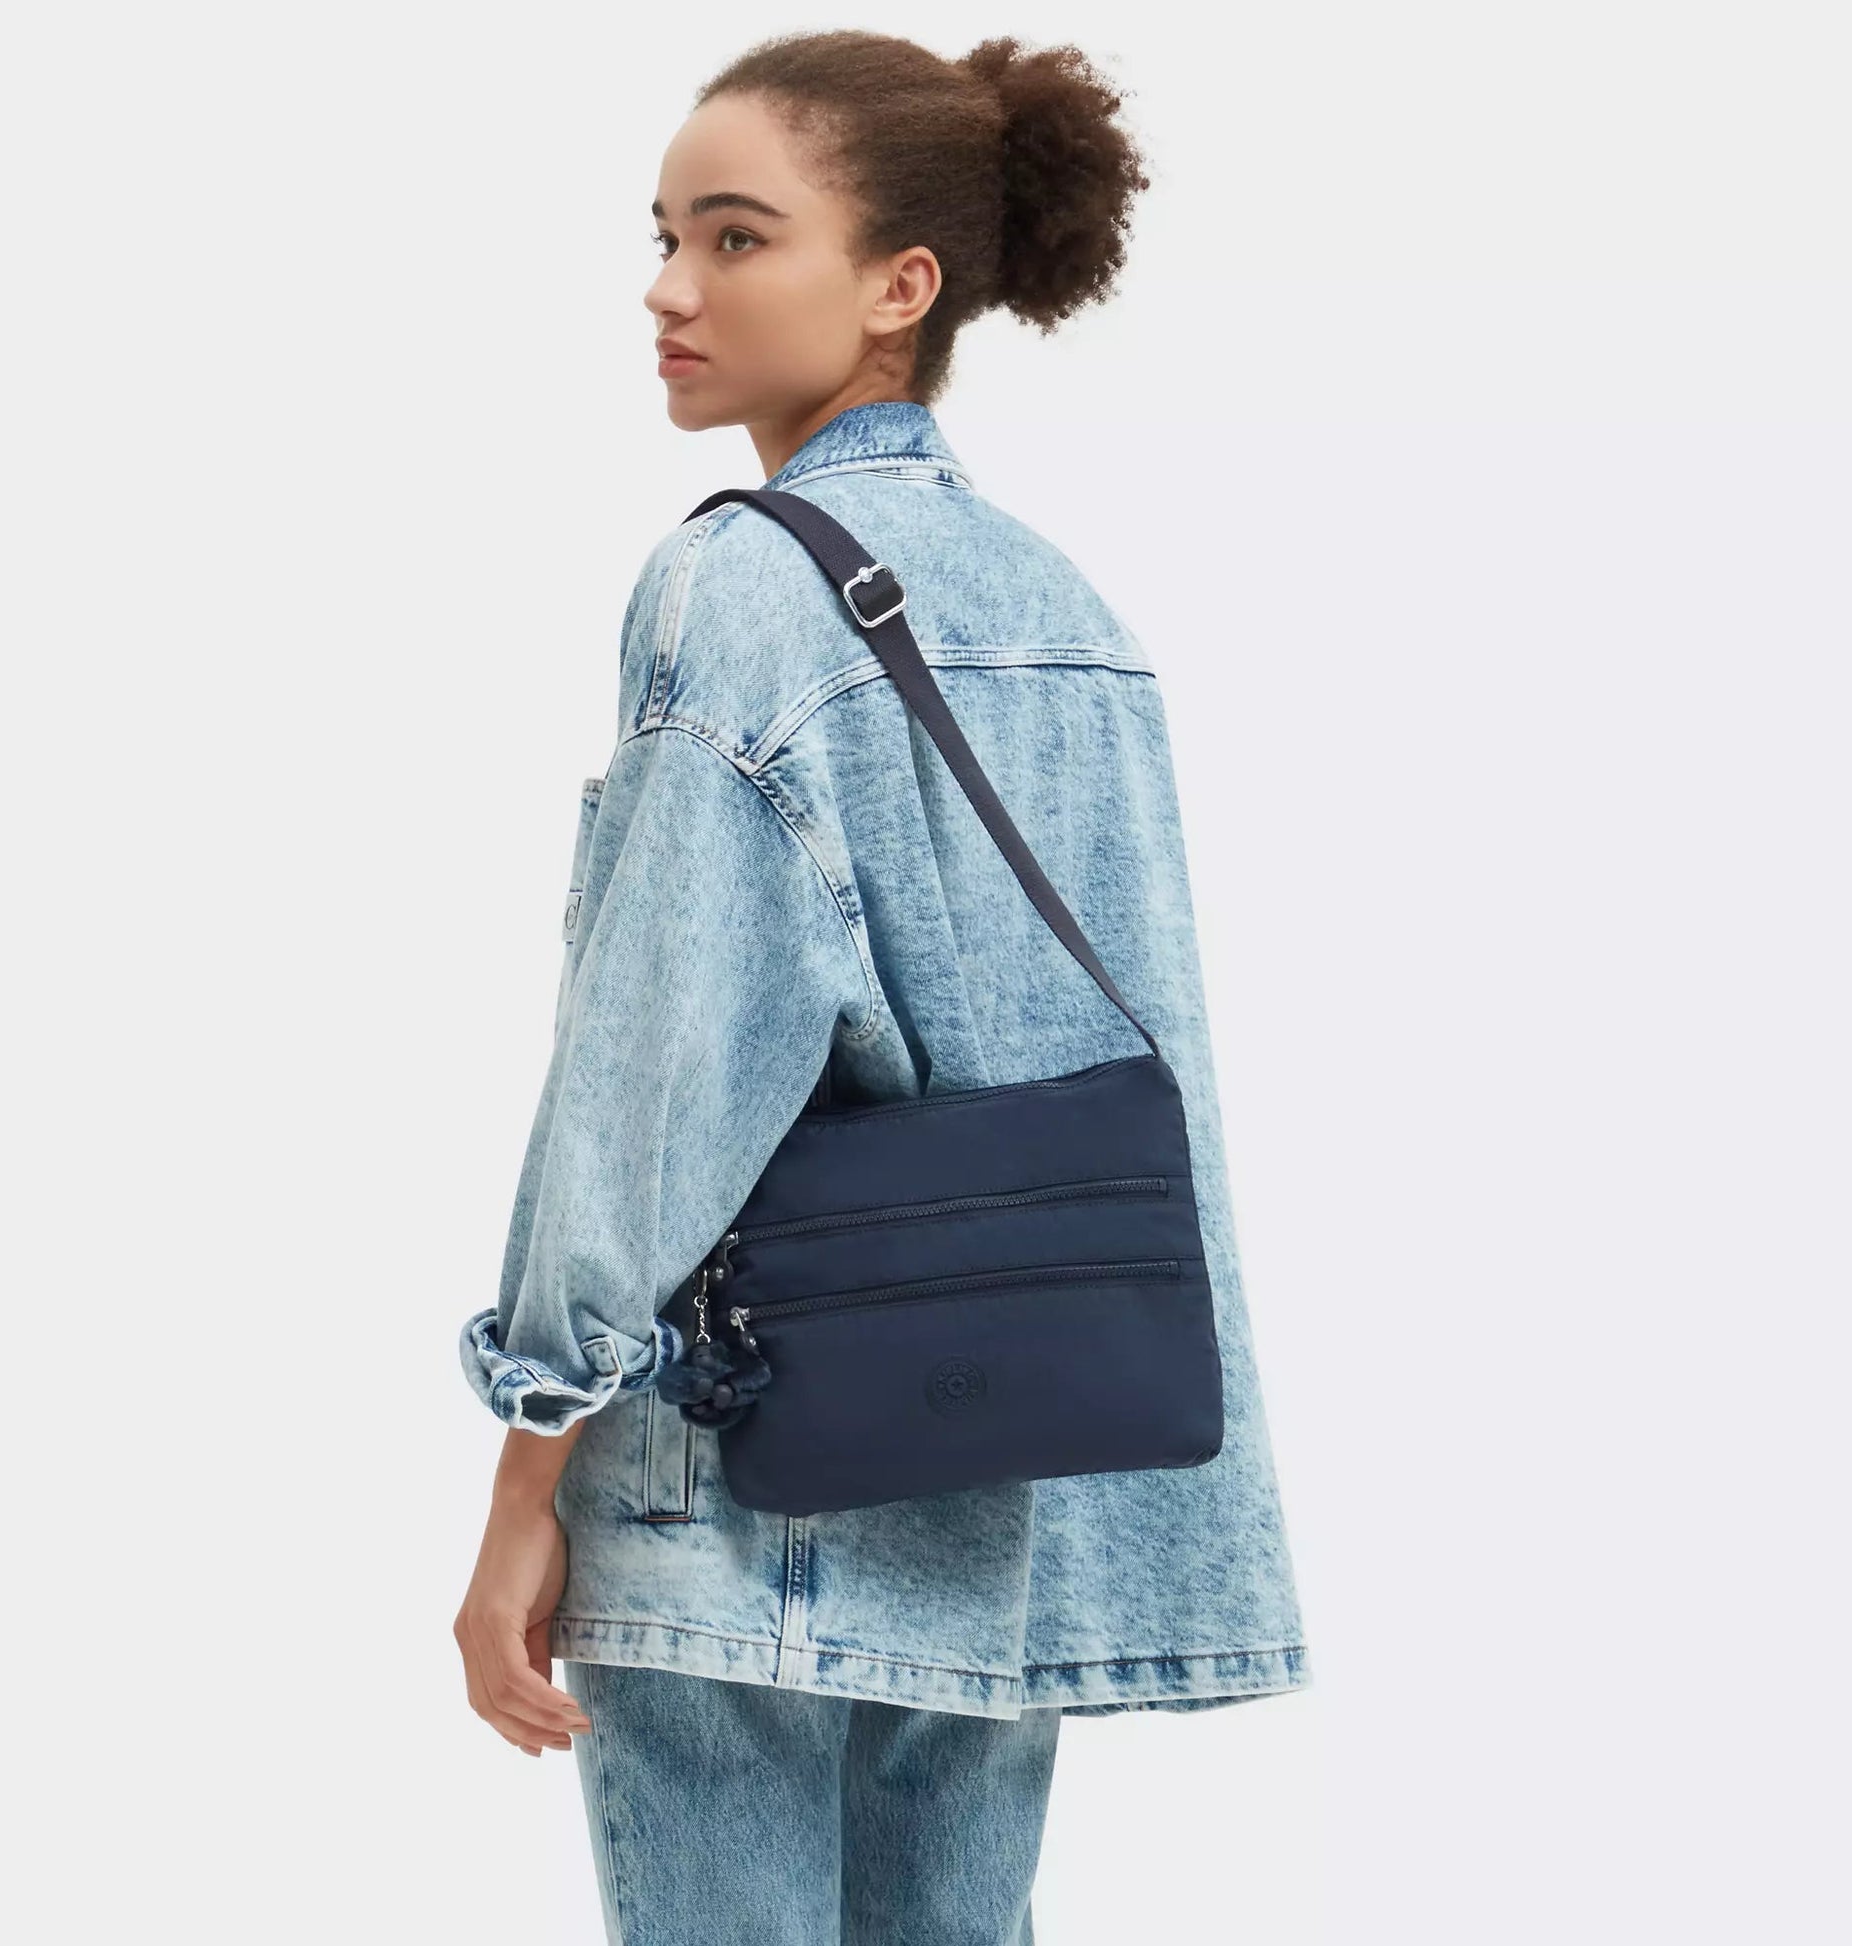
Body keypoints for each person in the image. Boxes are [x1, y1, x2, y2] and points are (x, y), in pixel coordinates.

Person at [452, 28, 1311, 1944]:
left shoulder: (741, 586)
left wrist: (528, 1470)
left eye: (737, 236)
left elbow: (658, 1072)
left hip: (735, 1458)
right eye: (664, 237)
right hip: (1000, 1467)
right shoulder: (1070, 611)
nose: (670, 290)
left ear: (899, 287)